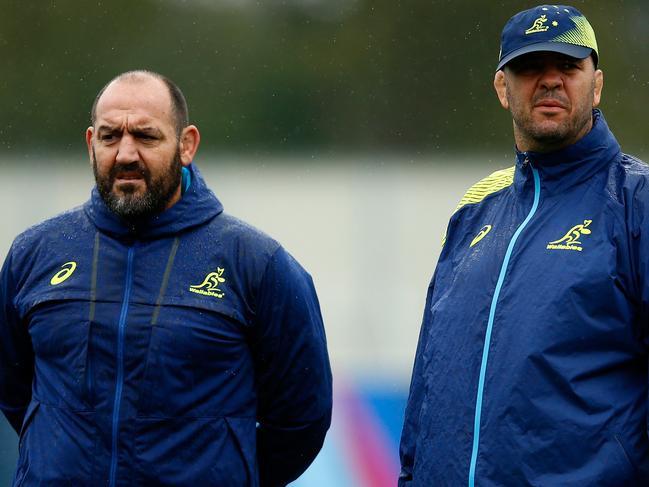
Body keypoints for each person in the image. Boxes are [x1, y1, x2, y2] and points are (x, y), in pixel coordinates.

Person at [0, 70, 332, 486]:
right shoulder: (35, 254)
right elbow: (13, 391)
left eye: (145, 136)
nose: (125, 153)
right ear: (90, 144)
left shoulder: (257, 264)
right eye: (109, 136)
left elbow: (302, 420)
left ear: (186, 144)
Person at [399, 5, 649, 486]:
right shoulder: (474, 211)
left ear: (596, 85)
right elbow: (427, 385)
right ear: (502, 88)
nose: (550, 81)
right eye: (530, 67)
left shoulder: (636, 203)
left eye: (568, 67)